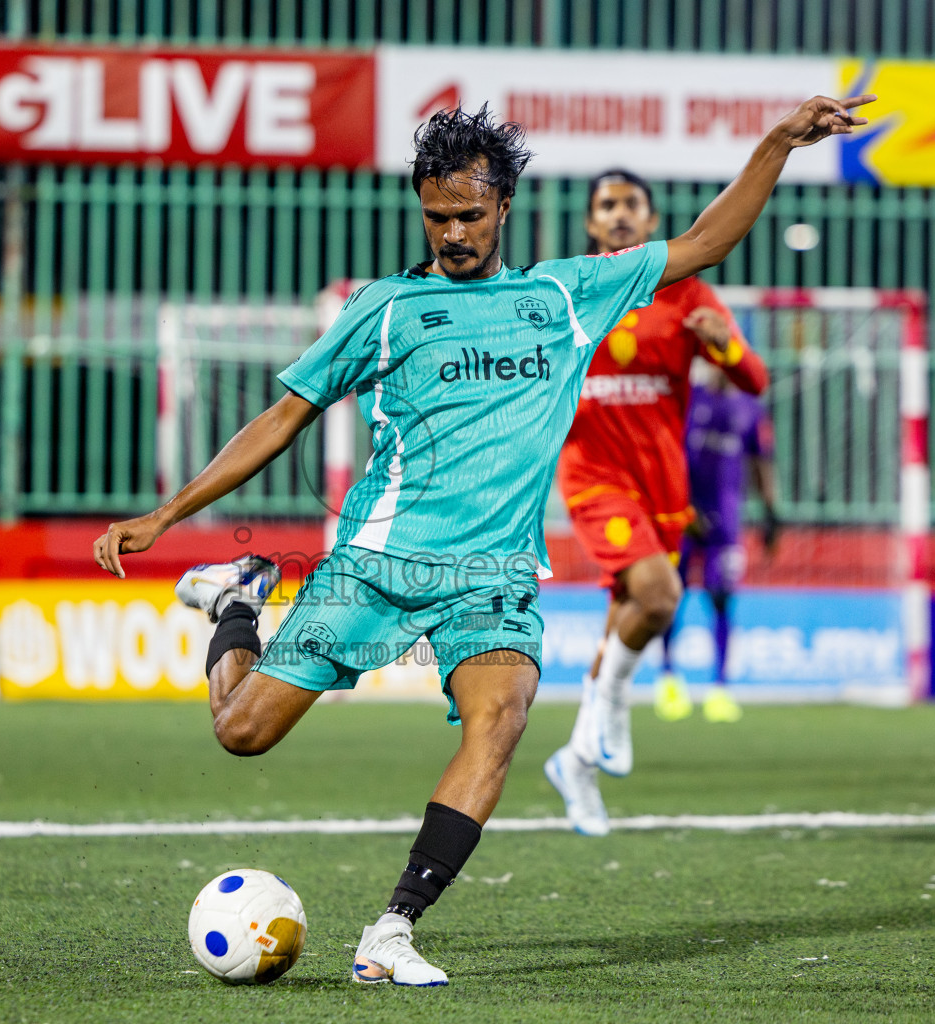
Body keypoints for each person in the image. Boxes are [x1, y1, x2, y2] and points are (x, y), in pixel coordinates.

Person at [94, 95, 872, 985]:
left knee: (500, 720)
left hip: (491, 577)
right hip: (377, 565)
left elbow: (703, 245)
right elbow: (283, 417)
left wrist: (777, 143)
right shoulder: (385, 307)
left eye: (468, 214)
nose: (452, 232)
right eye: (436, 217)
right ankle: (237, 598)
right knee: (241, 733)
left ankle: (392, 930)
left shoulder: (564, 296)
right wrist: (165, 515)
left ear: (503, 205)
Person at [541, 169, 770, 838]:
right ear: (590, 224)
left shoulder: (689, 290)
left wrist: (721, 342)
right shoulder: (567, 292)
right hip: (593, 475)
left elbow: (753, 379)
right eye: (605, 205)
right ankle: (612, 705)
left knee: (627, 615)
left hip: (663, 488)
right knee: (661, 594)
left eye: (629, 205)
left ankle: (576, 762)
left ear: (650, 220)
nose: (617, 215)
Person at [657, 362, 781, 722]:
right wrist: (682, 505)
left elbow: (762, 462)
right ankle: (668, 680)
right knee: (670, 596)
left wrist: (772, 513)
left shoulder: (749, 406)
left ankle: (720, 688)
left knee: (723, 598)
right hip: (683, 518)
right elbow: (667, 453)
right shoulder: (688, 398)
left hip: (726, 524)